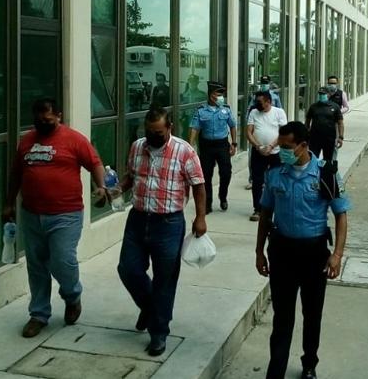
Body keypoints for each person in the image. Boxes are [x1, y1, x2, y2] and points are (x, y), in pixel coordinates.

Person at [3, 97, 108, 338]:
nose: (43, 123)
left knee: (63, 260)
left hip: (66, 215)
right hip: (31, 214)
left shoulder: (74, 139)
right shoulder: (26, 141)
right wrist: (8, 203)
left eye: (48, 120)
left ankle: (72, 295)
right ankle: (38, 314)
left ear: (59, 116)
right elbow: (16, 174)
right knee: (36, 265)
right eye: (39, 120)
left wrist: (101, 187)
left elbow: (95, 163)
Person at [255, 121, 350, 379]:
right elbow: (266, 213)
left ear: (304, 145)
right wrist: (259, 251)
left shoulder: (326, 173)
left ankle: (309, 364)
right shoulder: (275, 173)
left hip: (314, 254)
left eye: (287, 147)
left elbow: (341, 214)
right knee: (282, 317)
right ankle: (276, 370)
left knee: (312, 313)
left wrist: (337, 255)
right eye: (280, 146)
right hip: (282, 252)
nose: (282, 152)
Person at [114, 106, 207, 356]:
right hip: (138, 219)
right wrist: (114, 190)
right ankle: (150, 308)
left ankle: (158, 332)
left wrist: (200, 217)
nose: (153, 136)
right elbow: (130, 177)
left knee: (164, 279)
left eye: (158, 132)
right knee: (128, 269)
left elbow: (198, 185)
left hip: (168, 224)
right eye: (149, 132)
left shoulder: (184, 151)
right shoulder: (137, 147)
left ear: (169, 128)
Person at [188, 81, 238, 213]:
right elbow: (194, 128)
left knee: (226, 172)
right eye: (218, 94)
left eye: (222, 94)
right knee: (206, 175)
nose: (221, 97)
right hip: (207, 146)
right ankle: (207, 203)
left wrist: (234, 143)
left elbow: (233, 126)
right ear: (211, 95)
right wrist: (190, 146)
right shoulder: (201, 110)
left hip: (222, 145)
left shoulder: (226, 109)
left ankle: (223, 196)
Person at [246, 91, 288, 221]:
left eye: (260, 102)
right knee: (257, 181)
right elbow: (249, 132)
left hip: (275, 152)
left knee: (277, 180)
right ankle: (258, 209)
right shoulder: (254, 112)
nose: (257, 104)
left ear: (268, 102)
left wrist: (271, 146)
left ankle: (277, 207)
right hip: (258, 152)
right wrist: (258, 146)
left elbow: (283, 133)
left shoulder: (279, 112)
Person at [305, 86, 344, 165]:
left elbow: (340, 123)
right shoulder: (313, 107)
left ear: (329, 95)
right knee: (312, 159)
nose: (321, 95)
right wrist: (306, 134)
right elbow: (307, 121)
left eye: (323, 94)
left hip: (329, 138)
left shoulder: (335, 107)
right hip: (314, 138)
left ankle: (326, 172)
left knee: (328, 160)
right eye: (320, 94)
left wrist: (340, 137)